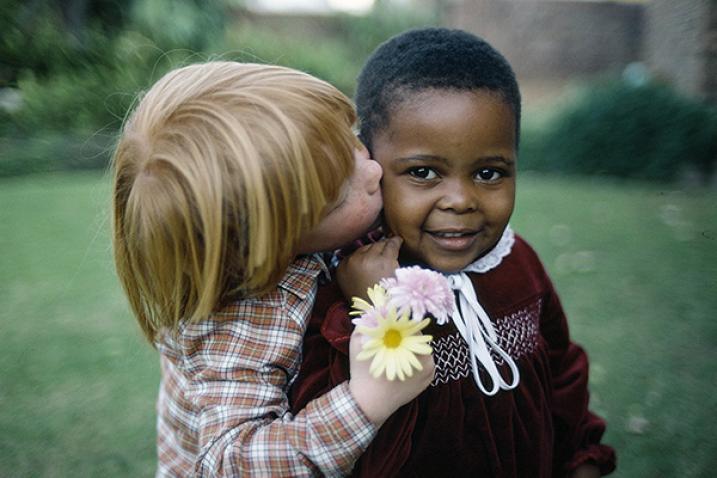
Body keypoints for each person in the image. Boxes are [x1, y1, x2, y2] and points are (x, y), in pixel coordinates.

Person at [290, 28, 616, 477]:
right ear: (370, 164)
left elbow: (563, 372)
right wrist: (372, 309)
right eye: (423, 172)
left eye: (488, 172)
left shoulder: (518, 262)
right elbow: (331, 436)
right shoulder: (347, 280)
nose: (460, 200)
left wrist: (582, 459)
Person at [111, 61, 434, 477]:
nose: (373, 171)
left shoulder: (299, 244)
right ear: (263, 246)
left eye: (351, 142)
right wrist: (365, 401)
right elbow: (232, 462)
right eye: (337, 197)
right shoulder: (241, 319)